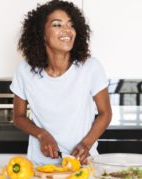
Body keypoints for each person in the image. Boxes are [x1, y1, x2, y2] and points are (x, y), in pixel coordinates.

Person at [10, 0, 112, 166]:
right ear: (41, 33)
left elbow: (105, 113)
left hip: (82, 164)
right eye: (57, 24)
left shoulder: (90, 67)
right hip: (41, 166)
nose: (67, 30)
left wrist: (86, 144)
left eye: (71, 25)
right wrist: (42, 134)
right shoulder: (24, 71)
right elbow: (18, 116)